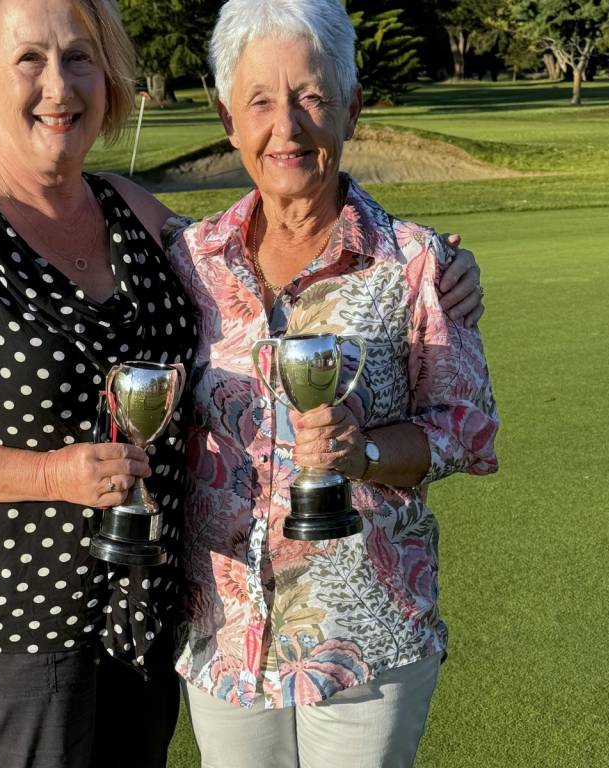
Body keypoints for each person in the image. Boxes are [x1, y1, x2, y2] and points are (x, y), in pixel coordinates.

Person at [0, 0, 485, 765]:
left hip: (157, 612)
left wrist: (439, 270)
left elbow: (456, 420)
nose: (60, 86)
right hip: (22, 622)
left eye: (79, 57)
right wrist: (53, 473)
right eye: (30, 60)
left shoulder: (139, 219)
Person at [154, 1, 501, 766]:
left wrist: (366, 455)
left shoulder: (415, 263)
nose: (288, 126)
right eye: (261, 102)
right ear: (227, 117)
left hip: (365, 632)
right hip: (226, 627)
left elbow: (466, 430)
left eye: (312, 96)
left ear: (352, 106)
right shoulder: (190, 261)